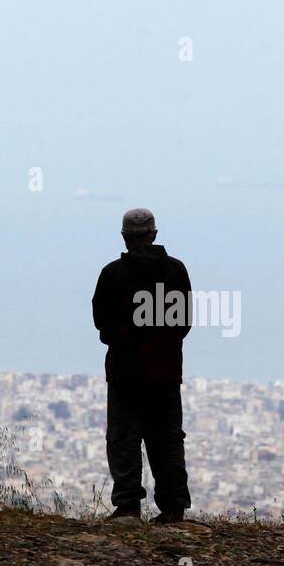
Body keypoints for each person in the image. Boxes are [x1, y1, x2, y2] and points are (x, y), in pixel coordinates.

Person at [91, 208, 191, 523]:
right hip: (165, 371)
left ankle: (128, 507)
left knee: (124, 438)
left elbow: (101, 324)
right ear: (155, 234)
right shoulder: (176, 271)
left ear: (124, 237)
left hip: (125, 373)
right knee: (167, 440)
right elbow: (184, 322)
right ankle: (173, 508)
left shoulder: (112, 274)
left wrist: (124, 339)